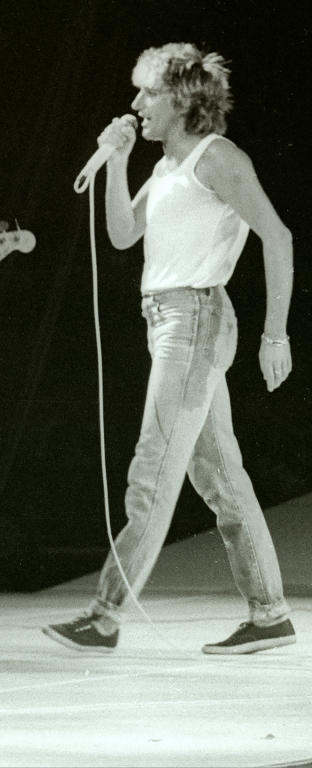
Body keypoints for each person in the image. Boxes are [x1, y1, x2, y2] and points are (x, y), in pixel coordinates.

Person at [43, 43, 295, 655]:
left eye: (147, 93)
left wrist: (275, 332)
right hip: (167, 321)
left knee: (153, 471)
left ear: (183, 99)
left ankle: (104, 616)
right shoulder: (164, 169)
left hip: (196, 319)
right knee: (220, 478)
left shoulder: (218, 158)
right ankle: (270, 615)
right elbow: (123, 234)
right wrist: (115, 162)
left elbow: (278, 236)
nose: (135, 104)